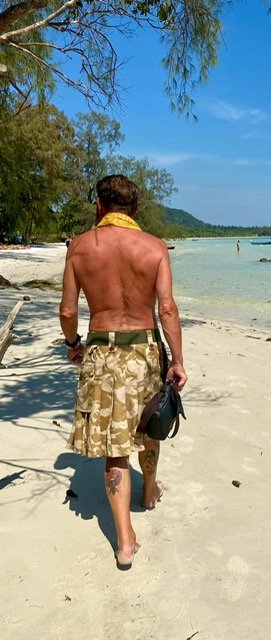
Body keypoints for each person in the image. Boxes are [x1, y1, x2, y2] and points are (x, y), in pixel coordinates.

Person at [59, 174, 187, 570]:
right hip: (145, 352)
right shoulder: (153, 247)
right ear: (135, 209)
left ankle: (125, 541)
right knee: (150, 426)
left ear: (99, 206)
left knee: (115, 448)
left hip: (101, 354)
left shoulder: (79, 248)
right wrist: (178, 360)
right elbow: (166, 309)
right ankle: (148, 491)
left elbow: (66, 311)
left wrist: (74, 345)